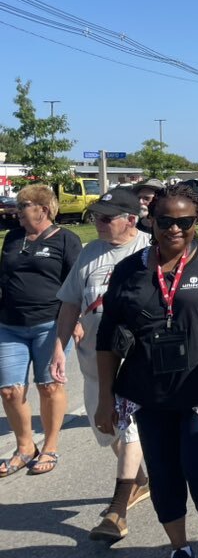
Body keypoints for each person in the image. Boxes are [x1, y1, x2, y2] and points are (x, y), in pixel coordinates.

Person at [94, 183, 198, 558]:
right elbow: (107, 337)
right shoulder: (128, 270)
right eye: (165, 220)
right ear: (152, 220)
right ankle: (178, 545)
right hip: (148, 391)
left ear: (197, 220)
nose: (174, 229)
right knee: (164, 474)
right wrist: (105, 399)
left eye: (185, 221)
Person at [50, 187, 151, 541]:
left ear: (131, 220)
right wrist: (58, 348)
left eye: (106, 218)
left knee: (128, 423)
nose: (98, 223)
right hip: (94, 361)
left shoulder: (148, 250)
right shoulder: (90, 252)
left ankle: (117, 512)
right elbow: (69, 304)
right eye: (96, 216)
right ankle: (139, 479)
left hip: (137, 360)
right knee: (105, 427)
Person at [0, 184, 82, 478]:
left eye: (22, 207)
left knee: (49, 386)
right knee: (9, 390)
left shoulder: (67, 240)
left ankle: (50, 446)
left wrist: (77, 321)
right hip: (9, 324)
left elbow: (76, 284)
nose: (17, 212)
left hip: (51, 324)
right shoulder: (12, 238)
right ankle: (25, 448)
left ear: (42, 209)